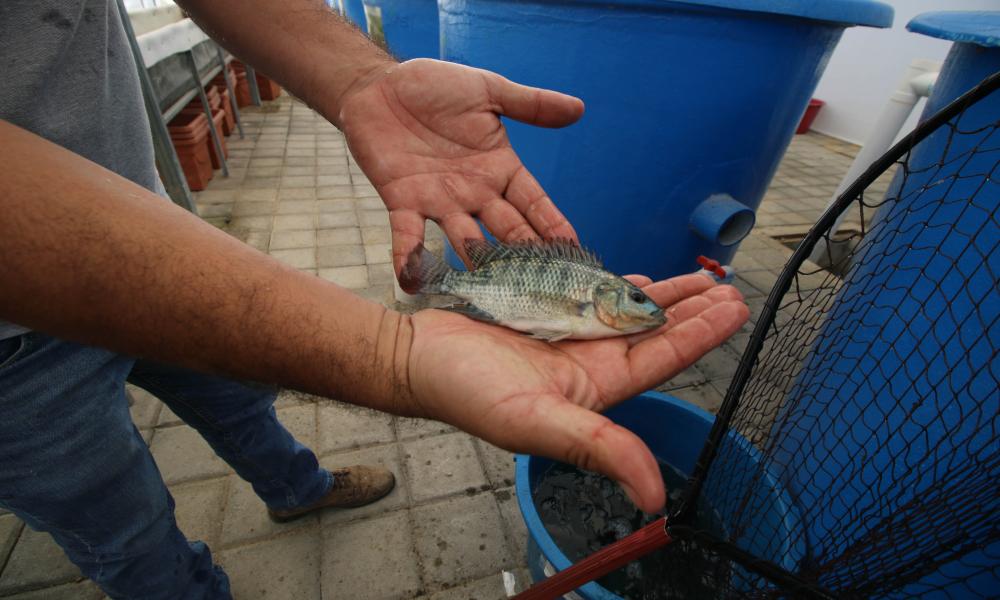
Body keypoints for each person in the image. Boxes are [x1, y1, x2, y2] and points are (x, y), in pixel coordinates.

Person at [0, 0, 748, 597]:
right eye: (634, 305)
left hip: (158, 226)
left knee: (240, 401)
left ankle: (297, 487)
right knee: (130, 540)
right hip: (14, 360)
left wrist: (360, 81)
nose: (640, 311)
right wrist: (391, 355)